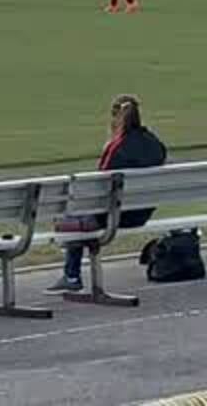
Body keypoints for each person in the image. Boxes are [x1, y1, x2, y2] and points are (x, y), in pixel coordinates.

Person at [44, 94, 167, 294]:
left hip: (114, 216)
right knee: (76, 217)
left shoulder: (118, 147)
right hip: (142, 211)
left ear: (115, 117)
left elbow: (100, 184)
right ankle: (72, 273)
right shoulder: (154, 142)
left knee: (66, 220)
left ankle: (72, 275)